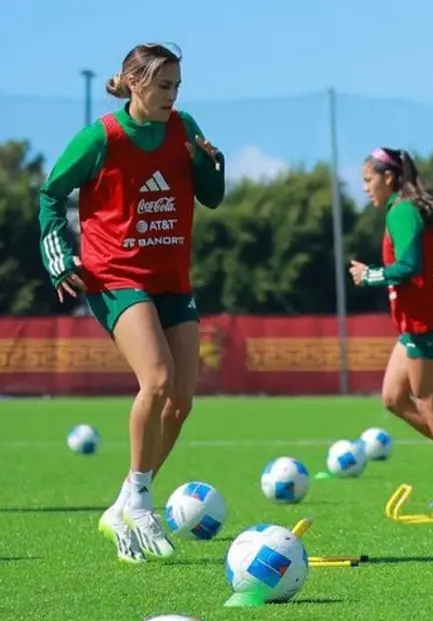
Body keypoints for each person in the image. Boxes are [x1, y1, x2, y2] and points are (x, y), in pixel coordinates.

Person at [38, 43, 224, 563]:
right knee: (158, 379)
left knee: (182, 400)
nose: (172, 95)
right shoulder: (102, 136)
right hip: (115, 277)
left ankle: (126, 499)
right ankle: (141, 500)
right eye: (163, 85)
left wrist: (211, 164)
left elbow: (211, 196)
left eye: (178, 87)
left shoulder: (183, 127)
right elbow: (51, 194)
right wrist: (59, 256)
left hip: (172, 281)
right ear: (134, 83)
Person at [349, 147, 433, 508]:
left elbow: (408, 267)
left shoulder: (403, 211)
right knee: (394, 399)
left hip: (429, 322)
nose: (365, 188)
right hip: (421, 321)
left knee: (430, 405)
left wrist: (369, 275)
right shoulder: (414, 209)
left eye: (368, 180)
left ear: (389, 178)